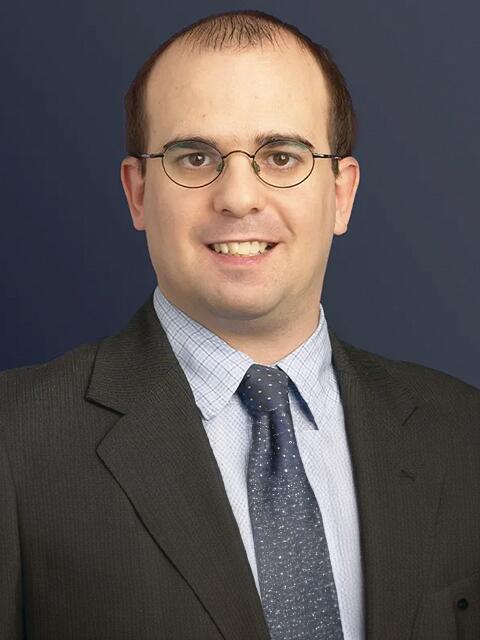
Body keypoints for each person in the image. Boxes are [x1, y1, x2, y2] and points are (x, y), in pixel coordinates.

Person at [1, 9, 478, 640]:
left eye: (281, 156)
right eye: (195, 157)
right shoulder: (15, 441)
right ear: (138, 193)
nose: (238, 197)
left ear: (341, 194)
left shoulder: (464, 434)